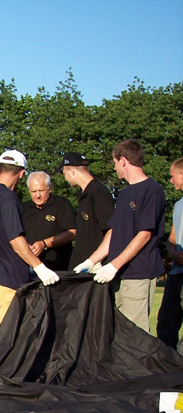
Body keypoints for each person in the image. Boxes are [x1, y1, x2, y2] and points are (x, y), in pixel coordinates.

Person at [73, 139, 165, 333]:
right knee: (117, 333)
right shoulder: (124, 194)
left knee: (135, 335)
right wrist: (90, 261)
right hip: (119, 275)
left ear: (123, 160)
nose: (114, 168)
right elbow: (113, 233)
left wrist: (114, 265)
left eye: (114, 162)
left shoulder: (152, 190)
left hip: (137, 274)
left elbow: (144, 235)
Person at [0, 150, 59, 327]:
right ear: (22, 173)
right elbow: (15, 239)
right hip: (9, 278)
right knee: (11, 339)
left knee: (4, 335)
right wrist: (40, 268)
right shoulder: (8, 197)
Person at [55, 152, 115, 271]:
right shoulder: (84, 195)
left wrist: (91, 262)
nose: (65, 177)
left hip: (94, 268)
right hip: (82, 265)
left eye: (64, 173)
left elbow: (112, 231)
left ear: (72, 171)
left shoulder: (98, 192)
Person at [21, 171, 76, 271]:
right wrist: (25, 246)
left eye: (41, 191)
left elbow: (72, 233)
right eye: (33, 191)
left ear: (49, 188)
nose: (37, 195)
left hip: (58, 267)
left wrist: (44, 244)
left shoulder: (61, 204)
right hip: (29, 267)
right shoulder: (24, 208)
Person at [155, 157, 183, 353]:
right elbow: (172, 236)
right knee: (166, 320)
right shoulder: (179, 204)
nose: (171, 181)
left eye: (173, 176)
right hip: (176, 272)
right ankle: (167, 362)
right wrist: (173, 252)